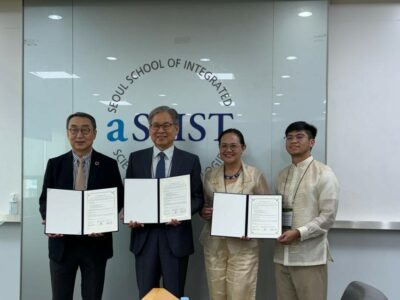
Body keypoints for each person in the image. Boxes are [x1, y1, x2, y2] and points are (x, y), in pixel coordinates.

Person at [39, 112, 123, 300]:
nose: (79, 135)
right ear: (67, 133)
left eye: (85, 130)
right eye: (74, 130)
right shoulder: (55, 164)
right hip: (62, 245)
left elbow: (118, 198)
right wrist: (50, 220)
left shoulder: (109, 165)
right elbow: (45, 199)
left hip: (96, 245)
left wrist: (105, 222)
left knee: (93, 296)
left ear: (94, 133)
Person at [125, 105, 203, 298]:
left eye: (166, 125)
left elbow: (197, 197)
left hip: (176, 237)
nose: (160, 130)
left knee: (174, 294)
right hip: (144, 237)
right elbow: (129, 195)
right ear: (149, 129)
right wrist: (129, 214)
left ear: (176, 128)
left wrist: (183, 213)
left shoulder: (190, 160)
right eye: (155, 125)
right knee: (145, 294)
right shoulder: (136, 159)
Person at [199, 128, 270, 300]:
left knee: (240, 294)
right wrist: (204, 212)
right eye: (223, 146)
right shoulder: (210, 175)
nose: (228, 150)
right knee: (216, 293)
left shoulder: (255, 175)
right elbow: (204, 206)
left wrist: (251, 230)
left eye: (233, 146)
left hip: (244, 247)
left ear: (243, 148)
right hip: (215, 246)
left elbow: (266, 211)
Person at [274, 121, 339, 300]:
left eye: (299, 136)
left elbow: (328, 217)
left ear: (312, 142)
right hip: (281, 256)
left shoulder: (324, 173)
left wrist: (299, 232)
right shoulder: (281, 175)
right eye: (289, 137)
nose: (293, 141)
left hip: (309, 257)